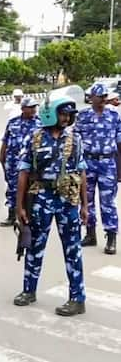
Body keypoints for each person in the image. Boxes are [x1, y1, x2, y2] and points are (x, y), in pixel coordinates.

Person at [13, 95, 88, 316]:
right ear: (51, 114)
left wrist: (85, 206)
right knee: (35, 246)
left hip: (67, 200)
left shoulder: (75, 140)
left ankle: (77, 299)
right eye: (63, 114)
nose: (66, 118)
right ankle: (29, 291)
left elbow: (81, 172)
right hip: (41, 198)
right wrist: (19, 206)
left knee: (72, 249)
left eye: (69, 115)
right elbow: (23, 173)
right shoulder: (34, 139)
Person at [75, 83, 120, 255]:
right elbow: (76, 139)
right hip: (87, 163)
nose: (102, 100)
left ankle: (111, 237)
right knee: (87, 200)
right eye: (99, 97)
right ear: (91, 98)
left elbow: (120, 140)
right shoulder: (83, 116)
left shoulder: (114, 116)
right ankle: (90, 234)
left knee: (108, 202)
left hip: (107, 163)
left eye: (104, 97)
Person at [0, 97, 41, 227]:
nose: (34, 109)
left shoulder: (40, 123)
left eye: (35, 107)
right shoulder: (13, 122)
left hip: (33, 163)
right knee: (12, 188)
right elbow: (5, 141)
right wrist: (1, 158)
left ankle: (31, 215)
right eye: (31, 107)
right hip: (13, 162)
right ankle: (11, 215)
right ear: (23, 109)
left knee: (33, 188)